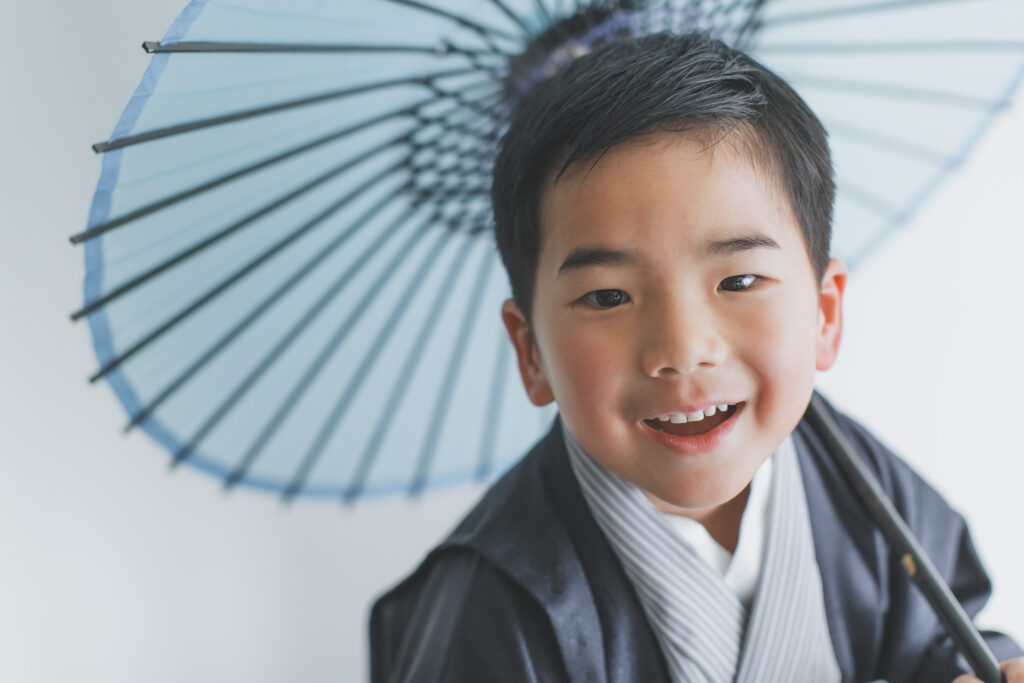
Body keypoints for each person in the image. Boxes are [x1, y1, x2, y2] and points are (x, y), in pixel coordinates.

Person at [369, 31, 1023, 682]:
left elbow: (944, 636)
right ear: (530, 350)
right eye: (607, 295)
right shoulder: (494, 602)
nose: (682, 351)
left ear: (825, 313)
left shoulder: (857, 481)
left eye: (738, 281)